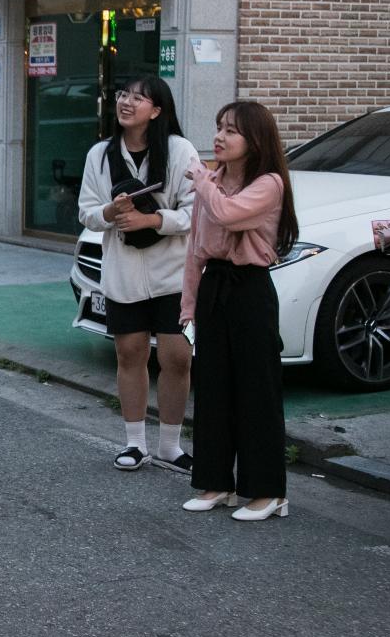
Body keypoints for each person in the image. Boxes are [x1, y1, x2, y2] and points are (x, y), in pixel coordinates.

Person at [180, 101, 298, 521]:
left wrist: (202, 183)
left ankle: (268, 493)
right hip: (214, 283)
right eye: (218, 127)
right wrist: (188, 304)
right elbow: (196, 247)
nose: (220, 136)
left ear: (255, 140)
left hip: (249, 287)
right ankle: (216, 484)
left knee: (256, 389)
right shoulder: (212, 180)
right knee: (212, 387)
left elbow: (228, 215)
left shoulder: (268, 184)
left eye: (231, 130)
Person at [77, 76, 199, 473]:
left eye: (138, 97)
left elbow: (197, 211)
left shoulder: (180, 151)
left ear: (158, 110)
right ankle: (134, 443)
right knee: (129, 354)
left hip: (173, 274)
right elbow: (86, 211)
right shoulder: (100, 154)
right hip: (124, 273)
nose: (127, 102)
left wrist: (152, 218)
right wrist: (109, 214)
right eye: (123, 95)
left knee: (176, 357)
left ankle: (169, 445)